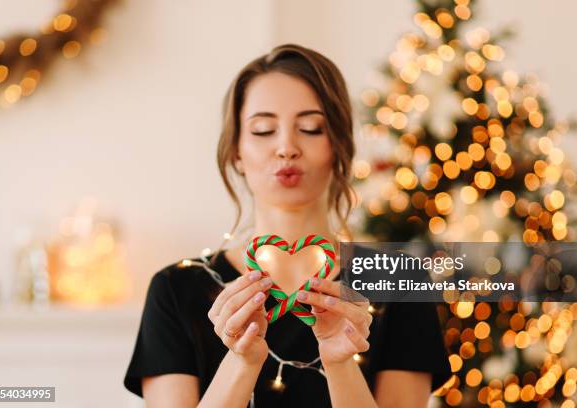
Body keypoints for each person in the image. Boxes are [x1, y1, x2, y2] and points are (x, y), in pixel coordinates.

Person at [123, 43, 451, 407]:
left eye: (311, 128)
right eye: (263, 130)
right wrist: (242, 361)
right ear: (236, 152)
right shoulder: (175, 288)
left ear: (338, 145)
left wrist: (340, 363)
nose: (286, 147)